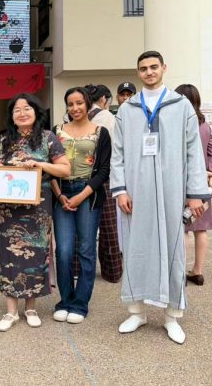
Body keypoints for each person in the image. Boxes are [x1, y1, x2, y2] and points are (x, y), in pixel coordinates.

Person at [110, 51, 209, 344]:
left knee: (173, 251)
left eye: (154, 67)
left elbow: (194, 152)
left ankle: (172, 316)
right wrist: (120, 189)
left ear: (164, 68)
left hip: (172, 190)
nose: (149, 72)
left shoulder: (181, 106)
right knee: (136, 249)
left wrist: (194, 194)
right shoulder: (127, 109)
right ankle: (137, 312)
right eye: (143, 68)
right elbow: (118, 153)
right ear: (138, 72)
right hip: (135, 192)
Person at [0, 93, 70, 331]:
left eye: (27, 108)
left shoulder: (48, 138)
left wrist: (41, 165)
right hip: (8, 210)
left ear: (36, 112)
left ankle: (31, 308)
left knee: (36, 254)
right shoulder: (5, 140)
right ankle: (10, 311)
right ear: (11, 116)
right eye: (17, 110)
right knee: (8, 256)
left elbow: (65, 169)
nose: (22, 113)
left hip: (38, 208)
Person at [49, 87, 110, 326]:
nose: (75, 108)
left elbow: (103, 170)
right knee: (63, 250)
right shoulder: (56, 131)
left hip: (88, 193)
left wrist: (81, 196)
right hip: (61, 192)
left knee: (86, 248)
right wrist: (60, 195)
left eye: (79, 103)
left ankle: (80, 304)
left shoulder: (100, 132)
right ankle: (65, 301)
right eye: (70, 104)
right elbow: (49, 164)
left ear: (87, 104)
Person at [176, 84, 212, 286]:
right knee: (200, 229)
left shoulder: (179, 124)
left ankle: (179, 273)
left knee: (183, 229)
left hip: (182, 182)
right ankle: (198, 271)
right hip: (203, 184)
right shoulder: (204, 125)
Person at [86, 84, 123, 283]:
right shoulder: (108, 117)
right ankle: (112, 271)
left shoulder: (73, 117)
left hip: (82, 176)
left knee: (82, 226)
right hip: (106, 176)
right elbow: (117, 148)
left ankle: (78, 269)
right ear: (104, 99)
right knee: (108, 226)